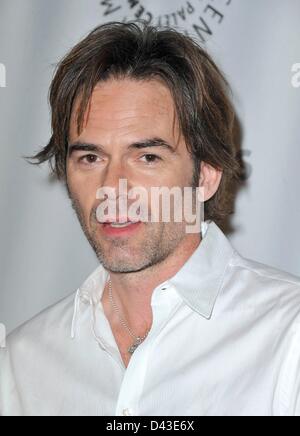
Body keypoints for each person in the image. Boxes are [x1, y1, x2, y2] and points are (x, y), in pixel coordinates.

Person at [0, 21, 299, 417]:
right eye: (91, 158)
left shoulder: (288, 338)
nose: (113, 188)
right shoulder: (21, 362)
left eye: (147, 157)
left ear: (206, 174)